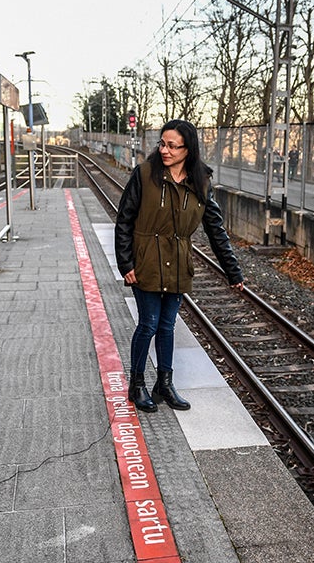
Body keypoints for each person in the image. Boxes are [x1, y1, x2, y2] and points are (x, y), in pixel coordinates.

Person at [115, 119, 245, 412]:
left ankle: (164, 382)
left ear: (188, 149)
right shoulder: (145, 174)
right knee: (148, 324)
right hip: (145, 260)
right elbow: (124, 220)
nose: (165, 150)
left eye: (172, 146)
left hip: (177, 263)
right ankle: (136, 385)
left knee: (167, 325)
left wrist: (232, 270)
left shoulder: (200, 181)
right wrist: (126, 263)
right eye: (162, 143)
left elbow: (215, 229)